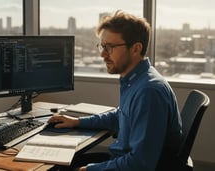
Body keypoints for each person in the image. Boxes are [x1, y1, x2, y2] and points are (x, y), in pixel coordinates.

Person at [48, 10, 182, 171]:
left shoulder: (148, 91)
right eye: (102, 46)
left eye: (110, 47)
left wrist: (89, 170)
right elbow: (121, 115)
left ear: (136, 49)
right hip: (121, 160)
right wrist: (77, 122)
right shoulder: (136, 80)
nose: (103, 54)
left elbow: (140, 165)